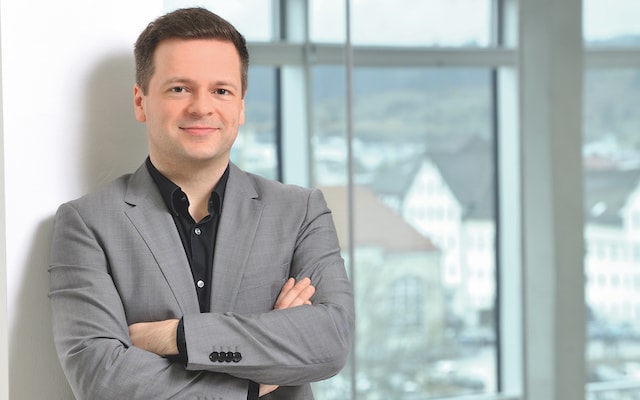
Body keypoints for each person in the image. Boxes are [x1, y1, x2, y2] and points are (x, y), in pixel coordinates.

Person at [48, 7, 354, 400]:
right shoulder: (87, 223)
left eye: (221, 91)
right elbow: (100, 378)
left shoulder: (300, 212)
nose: (201, 108)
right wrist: (255, 381)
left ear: (241, 106)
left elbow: (331, 341)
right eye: (179, 88)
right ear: (141, 102)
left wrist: (176, 336)